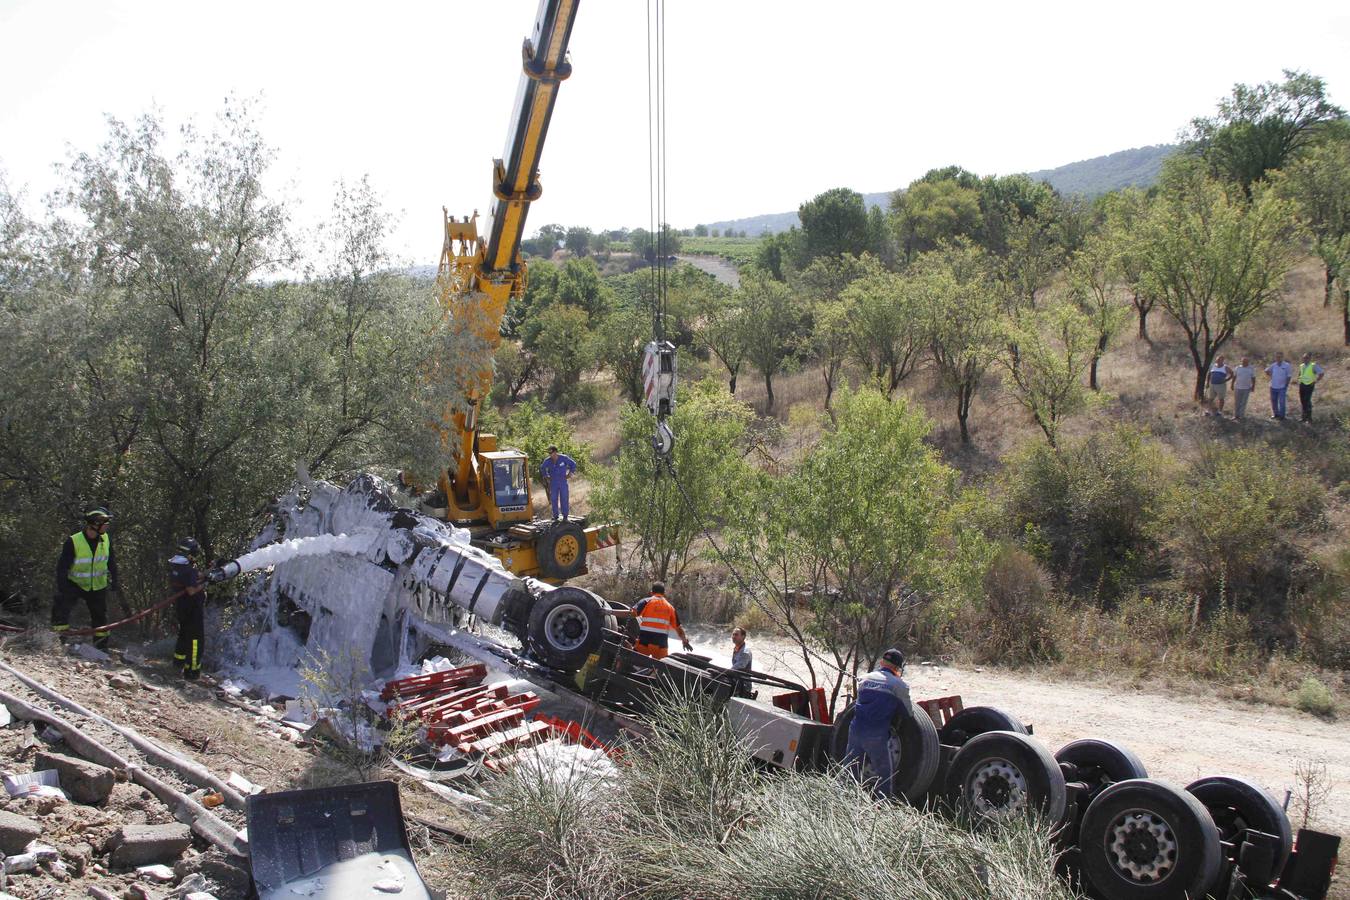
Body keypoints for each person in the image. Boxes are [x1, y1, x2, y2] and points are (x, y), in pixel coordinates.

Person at [842, 648, 912, 799]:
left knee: (849, 769)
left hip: (855, 730)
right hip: (876, 734)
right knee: (884, 774)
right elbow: (908, 713)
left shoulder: (864, 678)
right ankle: (881, 806)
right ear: (897, 668)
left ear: (881, 663)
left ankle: (842, 800)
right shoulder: (899, 685)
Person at [52, 508, 119, 650]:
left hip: (97, 586)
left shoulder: (106, 538)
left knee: (100, 618)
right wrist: (64, 588)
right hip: (75, 584)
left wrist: (115, 578)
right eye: (104, 523)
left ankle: (101, 649)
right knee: (61, 610)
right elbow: (62, 567)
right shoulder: (74, 541)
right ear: (94, 524)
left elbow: (111, 560)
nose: (107, 526)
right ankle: (57, 644)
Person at [616, 582, 692, 660]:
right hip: (661, 646)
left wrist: (610, 612)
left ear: (651, 592)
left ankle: (629, 649)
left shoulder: (646, 601)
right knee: (661, 667)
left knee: (632, 661)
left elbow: (631, 614)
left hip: (644, 643)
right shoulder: (670, 608)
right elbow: (679, 629)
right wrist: (684, 641)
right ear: (664, 593)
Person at [168, 538, 206, 680]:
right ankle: (192, 671)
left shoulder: (176, 566)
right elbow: (191, 589)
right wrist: (205, 584)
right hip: (192, 609)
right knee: (196, 640)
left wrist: (209, 572)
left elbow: (195, 576)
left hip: (181, 608)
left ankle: (178, 664)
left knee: (183, 635)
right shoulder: (188, 570)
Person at [539, 445, 577, 521]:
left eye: (551, 452)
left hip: (563, 481)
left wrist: (570, 474)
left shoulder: (563, 458)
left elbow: (573, 464)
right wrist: (546, 476)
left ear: (555, 452)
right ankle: (555, 516)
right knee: (553, 499)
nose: (550, 454)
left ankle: (565, 516)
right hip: (553, 482)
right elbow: (542, 468)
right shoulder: (547, 461)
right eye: (549, 453)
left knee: (564, 498)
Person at [1297, 353, 1325, 423]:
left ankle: (1309, 419)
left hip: (1309, 385)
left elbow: (1321, 373)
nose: (1305, 359)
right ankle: (1303, 418)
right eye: (1304, 358)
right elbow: (1300, 374)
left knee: (1307, 401)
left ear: (1310, 358)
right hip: (1302, 385)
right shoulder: (1301, 365)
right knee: (1302, 401)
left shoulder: (1313, 365)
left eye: (1307, 358)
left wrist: (1316, 381)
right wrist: (1299, 380)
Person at [1266, 352, 1294, 420]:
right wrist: (1271, 375)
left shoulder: (1287, 365)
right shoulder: (1273, 365)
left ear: (1282, 357)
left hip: (1282, 387)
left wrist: (1286, 385)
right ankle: (1276, 414)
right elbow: (1266, 370)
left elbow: (1289, 376)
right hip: (1273, 386)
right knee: (1274, 401)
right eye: (1277, 357)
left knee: (1282, 402)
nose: (1278, 358)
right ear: (1275, 357)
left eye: (1280, 357)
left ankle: (1282, 416)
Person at [730, 626, 753, 698]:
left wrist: (726, 672)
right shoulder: (737, 648)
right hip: (737, 681)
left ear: (743, 637)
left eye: (736, 635)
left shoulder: (745, 652)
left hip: (743, 685)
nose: (733, 636)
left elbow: (739, 667)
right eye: (733, 634)